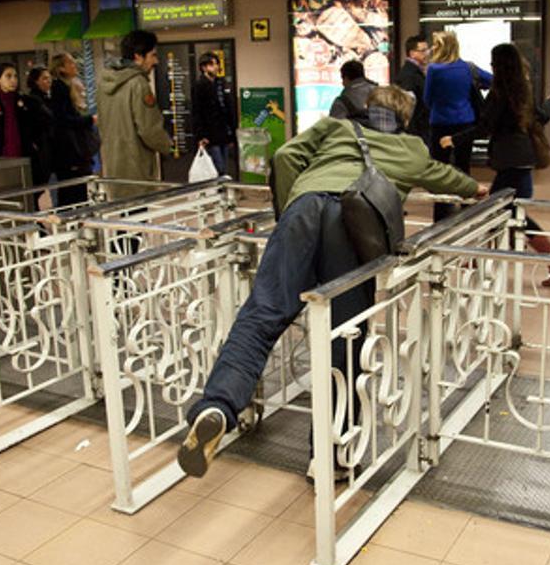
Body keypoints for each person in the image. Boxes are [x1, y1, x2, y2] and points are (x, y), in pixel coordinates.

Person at [177, 85, 483, 479]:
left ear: (367, 109)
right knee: (345, 339)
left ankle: (217, 406)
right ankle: (331, 455)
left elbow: (286, 156)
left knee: (261, 315)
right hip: (355, 230)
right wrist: (475, 188)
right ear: (405, 119)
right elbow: (443, 177)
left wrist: (291, 208)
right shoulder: (412, 149)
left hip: (303, 212)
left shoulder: (337, 128)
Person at [443, 43, 550, 286]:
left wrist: (454, 139)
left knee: (505, 213)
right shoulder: (522, 89)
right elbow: (541, 116)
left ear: (498, 65)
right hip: (522, 159)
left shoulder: (499, 94)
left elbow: (485, 126)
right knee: (506, 213)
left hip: (509, 161)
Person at [424, 30, 491, 220]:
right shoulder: (467, 68)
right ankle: (466, 209)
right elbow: (492, 80)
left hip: (440, 123)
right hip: (465, 123)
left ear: (444, 47)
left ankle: (442, 213)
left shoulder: (434, 70)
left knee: (440, 169)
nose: (433, 48)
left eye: (436, 44)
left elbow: (427, 99)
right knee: (463, 166)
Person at [97, 30, 172, 200]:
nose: (156, 61)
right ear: (138, 56)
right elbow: (148, 129)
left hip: (113, 163)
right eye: (152, 55)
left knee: (123, 217)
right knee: (138, 215)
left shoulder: (104, 84)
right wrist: (167, 146)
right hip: (136, 164)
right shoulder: (138, 84)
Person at [0, 62, 50, 186]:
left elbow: (42, 123)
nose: (13, 80)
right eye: (8, 76)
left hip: (25, 155)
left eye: (15, 76)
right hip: (1, 155)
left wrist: (37, 145)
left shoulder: (27, 101)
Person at [49, 52, 98, 207]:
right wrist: (89, 120)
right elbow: (64, 120)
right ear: (61, 68)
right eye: (70, 63)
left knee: (77, 192)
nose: (74, 65)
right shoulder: (60, 89)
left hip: (72, 151)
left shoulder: (64, 88)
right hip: (70, 152)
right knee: (73, 193)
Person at [192, 52, 236, 176]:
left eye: (216, 64)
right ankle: (218, 191)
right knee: (218, 168)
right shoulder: (199, 86)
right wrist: (201, 135)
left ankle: (222, 190)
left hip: (224, 133)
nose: (215, 67)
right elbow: (197, 112)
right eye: (212, 64)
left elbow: (228, 108)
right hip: (210, 135)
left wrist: (232, 133)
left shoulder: (221, 83)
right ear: (204, 67)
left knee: (225, 166)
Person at [21, 66, 57, 189]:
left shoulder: (48, 98)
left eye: (49, 78)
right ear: (36, 81)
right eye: (45, 78)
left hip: (48, 146)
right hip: (43, 148)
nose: (49, 81)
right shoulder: (33, 101)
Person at [394, 34, 430, 145]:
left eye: (427, 50)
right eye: (423, 51)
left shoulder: (415, 72)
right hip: (416, 131)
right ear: (412, 53)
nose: (427, 54)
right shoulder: (409, 75)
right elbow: (407, 107)